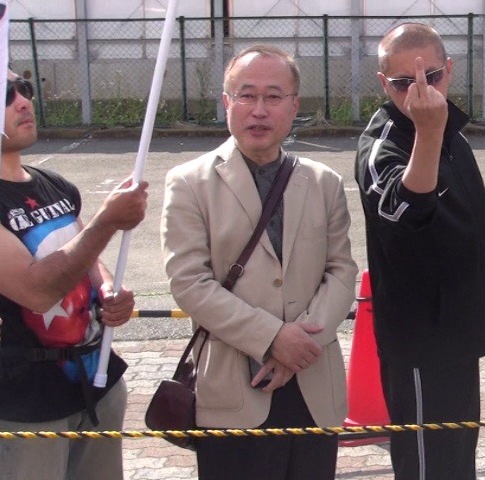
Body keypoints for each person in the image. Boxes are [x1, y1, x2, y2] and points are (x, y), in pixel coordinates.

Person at [160, 45, 357, 480]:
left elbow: (342, 271)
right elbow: (189, 282)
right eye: (246, 95)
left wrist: (299, 347)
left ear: (294, 105)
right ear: (226, 102)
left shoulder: (324, 182)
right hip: (233, 393)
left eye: (273, 96)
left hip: (313, 386)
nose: (259, 110)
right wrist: (272, 339)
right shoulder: (189, 183)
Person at [354, 23, 485, 480]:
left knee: (456, 463)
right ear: (383, 83)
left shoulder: (454, 136)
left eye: (431, 77)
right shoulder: (382, 144)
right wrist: (428, 133)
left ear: (449, 71)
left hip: (460, 333)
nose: (419, 91)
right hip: (419, 342)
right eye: (403, 82)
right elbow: (403, 210)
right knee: (425, 467)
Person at [0, 69, 148, 479]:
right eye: (6, 94)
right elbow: (36, 290)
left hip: (96, 383)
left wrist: (110, 290)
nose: (23, 101)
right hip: (26, 403)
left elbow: (88, 259)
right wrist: (108, 221)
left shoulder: (53, 184)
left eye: (25, 88)